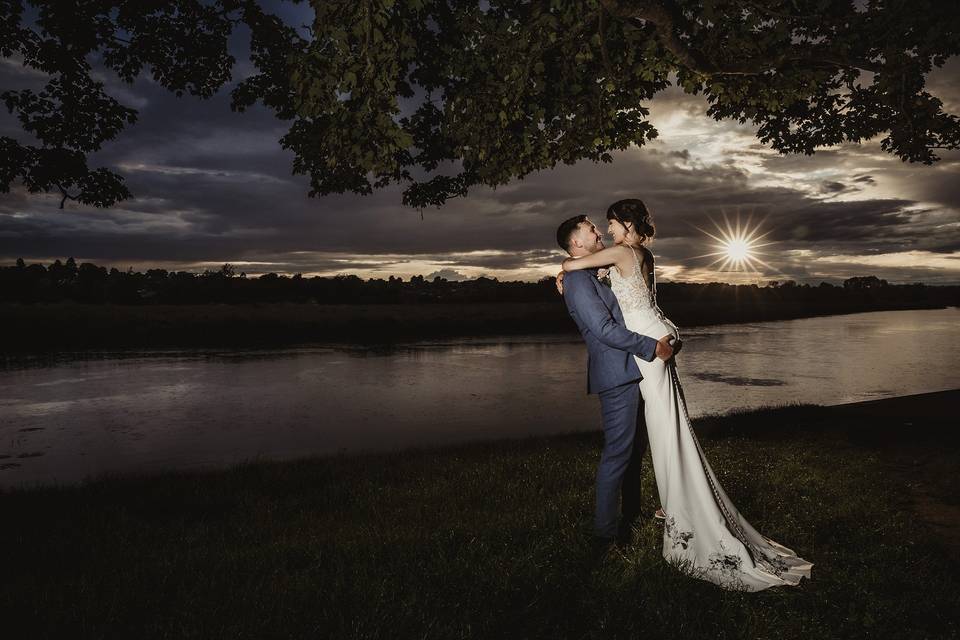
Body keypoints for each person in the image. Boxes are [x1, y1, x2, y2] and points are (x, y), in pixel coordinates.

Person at [560, 199, 812, 591]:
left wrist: (564, 271)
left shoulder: (618, 254)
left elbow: (577, 272)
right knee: (654, 432)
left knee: (660, 431)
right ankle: (653, 511)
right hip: (646, 344)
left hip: (646, 349)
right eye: (595, 228)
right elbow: (601, 308)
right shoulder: (634, 254)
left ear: (625, 225)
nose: (603, 231)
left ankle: (673, 508)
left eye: (608, 224)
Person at [556, 214, 675, 559]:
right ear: (576, 243)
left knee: (632, 450)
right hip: (616, 374)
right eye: (590, 228)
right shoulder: (578, 281)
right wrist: (652, 347)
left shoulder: (587, 274)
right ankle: (605, 539)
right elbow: (604, 330)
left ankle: (632, 514)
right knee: (617, 454)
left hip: (627, 370)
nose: (597, 231)